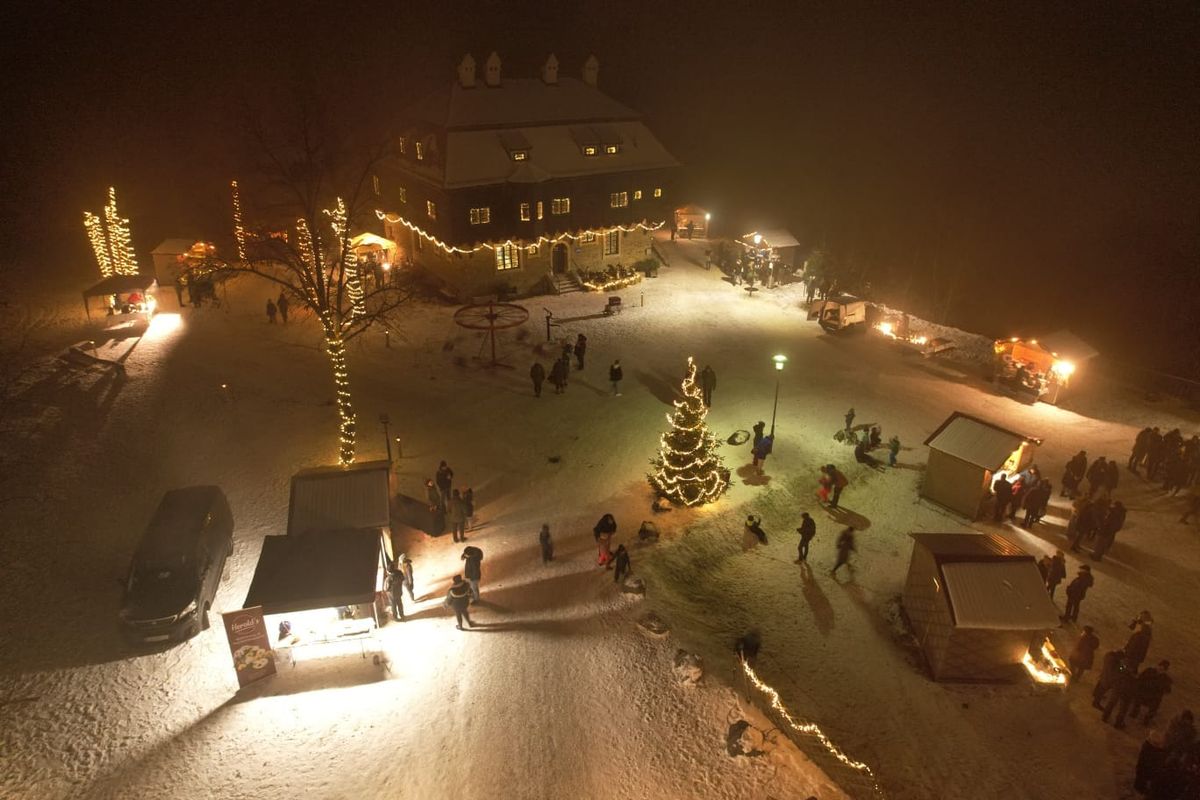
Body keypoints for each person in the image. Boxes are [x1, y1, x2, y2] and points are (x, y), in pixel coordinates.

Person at [1131, 661, 1172, 725]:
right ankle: (1134, 713)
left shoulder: (1165, 678)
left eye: (1162, 669)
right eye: (1160, 668)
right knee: (1139, 699)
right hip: (1144, 693)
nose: (1160, 670)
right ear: (1157, 666)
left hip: (1153, 698)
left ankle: (1146, 720)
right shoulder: (1149, 671)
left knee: (1154, 706)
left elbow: (1168, 690)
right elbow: (1140, 679)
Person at [1102, 655, 1138, 728]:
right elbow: (1134, 684)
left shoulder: (1121, 668)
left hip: (1118, 688)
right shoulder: (1132, 675)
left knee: (1112, 702)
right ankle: (1118, 722)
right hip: (1126, 691)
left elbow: (1117, 673)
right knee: (1123, 708)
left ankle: (1105, 716)